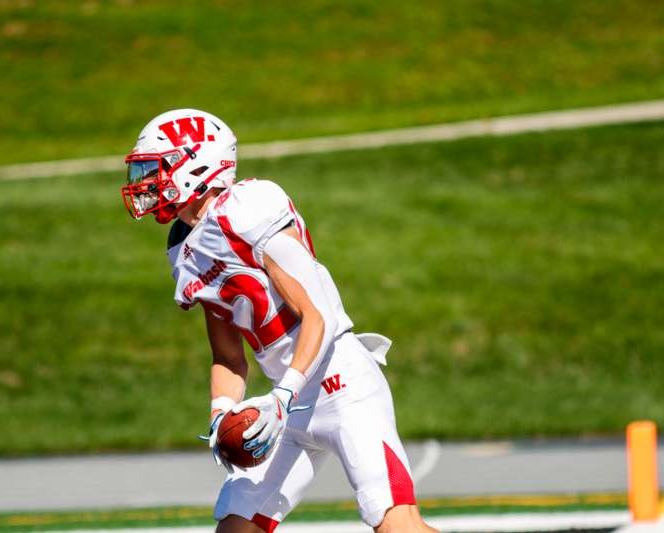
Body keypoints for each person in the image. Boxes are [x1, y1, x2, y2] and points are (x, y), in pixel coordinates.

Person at [122, 109, 439, 533]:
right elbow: (228, 354)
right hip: (285, 404)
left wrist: (282, 396)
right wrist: (222, 414)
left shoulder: (249, 208)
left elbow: (318, 314)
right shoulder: (183, 247)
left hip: (341, 386)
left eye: (154, 168)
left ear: (195, 164)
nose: (145, 181)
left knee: (398, 526)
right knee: (236, 530)